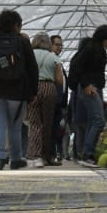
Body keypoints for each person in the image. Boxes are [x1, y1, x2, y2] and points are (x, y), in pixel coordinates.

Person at [0, 9, 39, 170]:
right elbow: (32, 68)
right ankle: (16, 158)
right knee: (15, 126)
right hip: (17, 91)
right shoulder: (22, 42)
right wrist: (32, 92)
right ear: (16, 25)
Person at [68, 25, 107, 165]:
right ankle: (87, 154)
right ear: (104, 38)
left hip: (94, 88)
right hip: (89, 88)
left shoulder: (96, 49)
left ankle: (86, 154)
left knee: (93, 121)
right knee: (98, 120)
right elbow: (76, 66)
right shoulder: (90, 49)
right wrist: (86, 84)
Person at [25, 32, 65, 167]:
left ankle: (33, 157)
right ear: (48, 43)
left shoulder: (29, 54)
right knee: (47, 124)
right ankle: (46, 155)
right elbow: (60, 80)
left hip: (33, 88)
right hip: (49, 88)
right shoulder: (53, 57)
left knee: (34, 123)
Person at [49, 35, 67, 163]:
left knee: (55, 129)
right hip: (52, 99)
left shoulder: (58, 61)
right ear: (50, 45)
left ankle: (53, 154)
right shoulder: (51, 60)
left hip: (59, 101)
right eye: (57, 44)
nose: (59, 47)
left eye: (61, 45)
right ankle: (50, 154)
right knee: (51, 128)